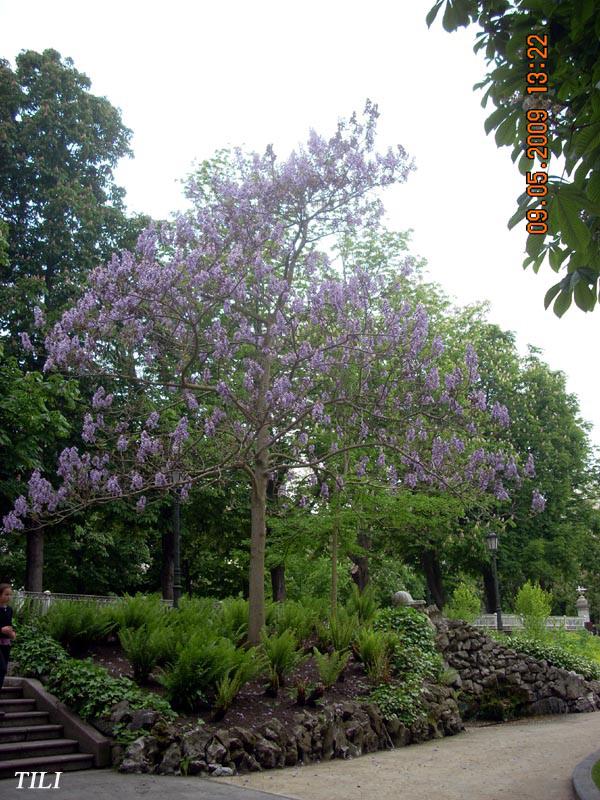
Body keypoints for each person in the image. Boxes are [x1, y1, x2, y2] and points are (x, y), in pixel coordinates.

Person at [0, 582, 16, 694]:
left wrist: (12, 633)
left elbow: (9, 626)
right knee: (1, 668)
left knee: (3, 671)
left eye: (10, 595)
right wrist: (1, 630)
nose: (8, 597)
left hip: (6, 644)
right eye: (6, 594)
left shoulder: (9, 610)